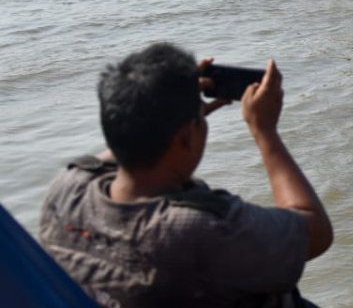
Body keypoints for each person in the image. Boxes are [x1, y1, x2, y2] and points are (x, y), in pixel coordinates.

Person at [39, 43, 333, 307]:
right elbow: (316, 232)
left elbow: (118, 144)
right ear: (184, 139)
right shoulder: (194, 229)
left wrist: (176, 108)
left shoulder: (67, 190)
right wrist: (265, 132)